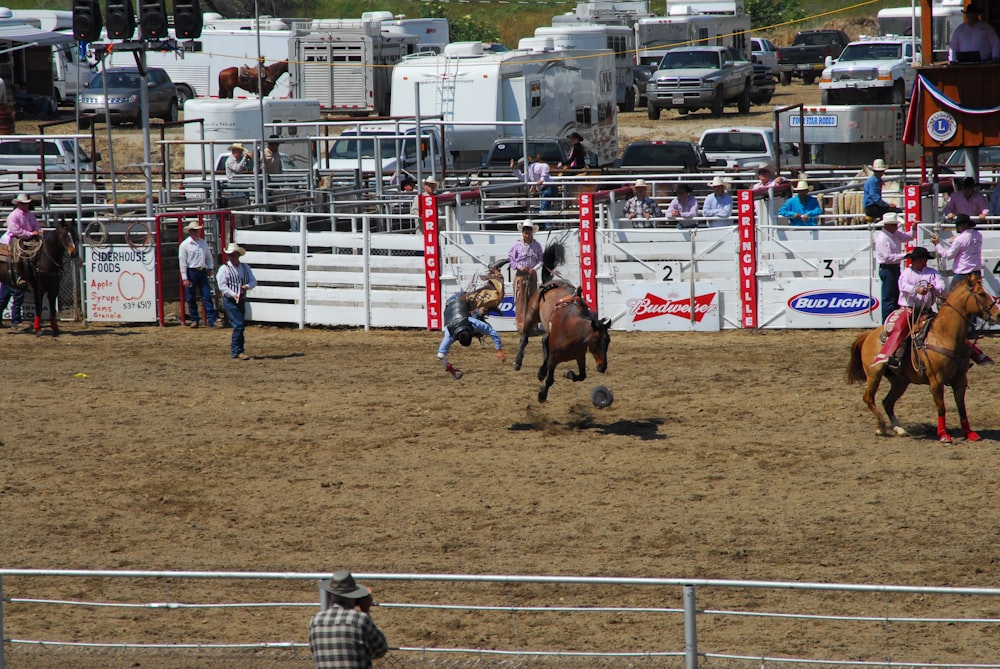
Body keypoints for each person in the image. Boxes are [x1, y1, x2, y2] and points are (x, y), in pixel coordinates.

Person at [872, 246, 946, 368]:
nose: (914, 261)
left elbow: (942, 287)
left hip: (926, 311)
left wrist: (935, 288)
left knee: (946, 328)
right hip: (909, 310)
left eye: (917, 259)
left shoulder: (933, 273)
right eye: (915, 259)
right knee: (901, 329)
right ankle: (894, 354)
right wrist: (917, 289)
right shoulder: (906, 273)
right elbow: (903, 286)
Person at [308, 570, 388, 669]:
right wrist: (365, 610)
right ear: (355, 596)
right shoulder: (360, 620)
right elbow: (380, 650)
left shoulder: (315, 621)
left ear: (329, 596)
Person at [437, 294, 506, 379]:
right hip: (456, 301)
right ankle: (484, 309)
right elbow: (492, 332)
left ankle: (484, 309)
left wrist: (452, 370)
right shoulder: (470, 322)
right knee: (477, 316)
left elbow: (440, 355)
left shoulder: (450, 333)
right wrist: (498, 349)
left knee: (477, 315)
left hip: (458, 300)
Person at [215, 242, 257, 360]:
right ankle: (237, 350)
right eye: (230, 255)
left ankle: (237, 350)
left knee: (240, 325)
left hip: (240, 298)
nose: (232, 257)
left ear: (238, 255)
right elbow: (222, 286)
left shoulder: (245, 267)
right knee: (238, 324)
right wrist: (234, 294)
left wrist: (247, 286)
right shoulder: (224, 269)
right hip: (230, 299)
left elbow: (253, 281)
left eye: (234, 255)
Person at [873, 211, 915, 323]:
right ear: (888, 225)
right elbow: (887, 257)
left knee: (894, 296)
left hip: (892, 268)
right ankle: (886, 322)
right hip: (888, 268)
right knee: (890, 298)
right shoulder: (882, 238)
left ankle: (891, 322)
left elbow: (909, 237)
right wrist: (905, 255)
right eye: (894, 224)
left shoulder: (893, 234)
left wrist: (914, 229)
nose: (896, 226)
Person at [178, 221, 219, 328]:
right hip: (191, 271)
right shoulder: (185, 245)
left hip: (202, 270)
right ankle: (195, 319)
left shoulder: (203, 243)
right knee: (191, 297)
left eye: (198, 230)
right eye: (195, 230)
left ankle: (210, 320)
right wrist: (185, 278)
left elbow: (209, 257)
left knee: (207, 296)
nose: (197, 232)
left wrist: (210, 267)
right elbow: (182, 262)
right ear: (190, 231)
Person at [508, 219, 544, 330]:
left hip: (532, 274)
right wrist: (520, 267)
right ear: (522, 233)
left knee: (532, 299)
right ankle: (522, 326)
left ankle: (533, 326)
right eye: (525, 232)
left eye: (529, 232)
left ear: (532, 233)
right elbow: (511, 259)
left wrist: (535, 268)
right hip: (520, 275)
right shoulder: (516, 244)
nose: (527, 235)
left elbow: (541, 260)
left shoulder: (537, 245)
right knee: (520, 300)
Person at [2, 193, 43, 288]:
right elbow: (16, 230)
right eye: (23, 203)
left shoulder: (30, 214)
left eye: (26, 203)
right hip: (15, 237)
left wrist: (38, 230)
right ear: (18, 204)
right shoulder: (13, 216)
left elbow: (35, 224)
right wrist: (31, 233)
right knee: (19, 253)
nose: (25, 205)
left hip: (29, 237)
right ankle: (19, 275)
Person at [932, 212, 983, 285]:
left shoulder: (959, 239)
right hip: (976, 272)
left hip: (963, 273)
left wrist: (937, 244)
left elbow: (948, 255)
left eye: (958, 224)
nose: (956, 227)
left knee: (951, 295)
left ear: (964, 225)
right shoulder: (978, 235)